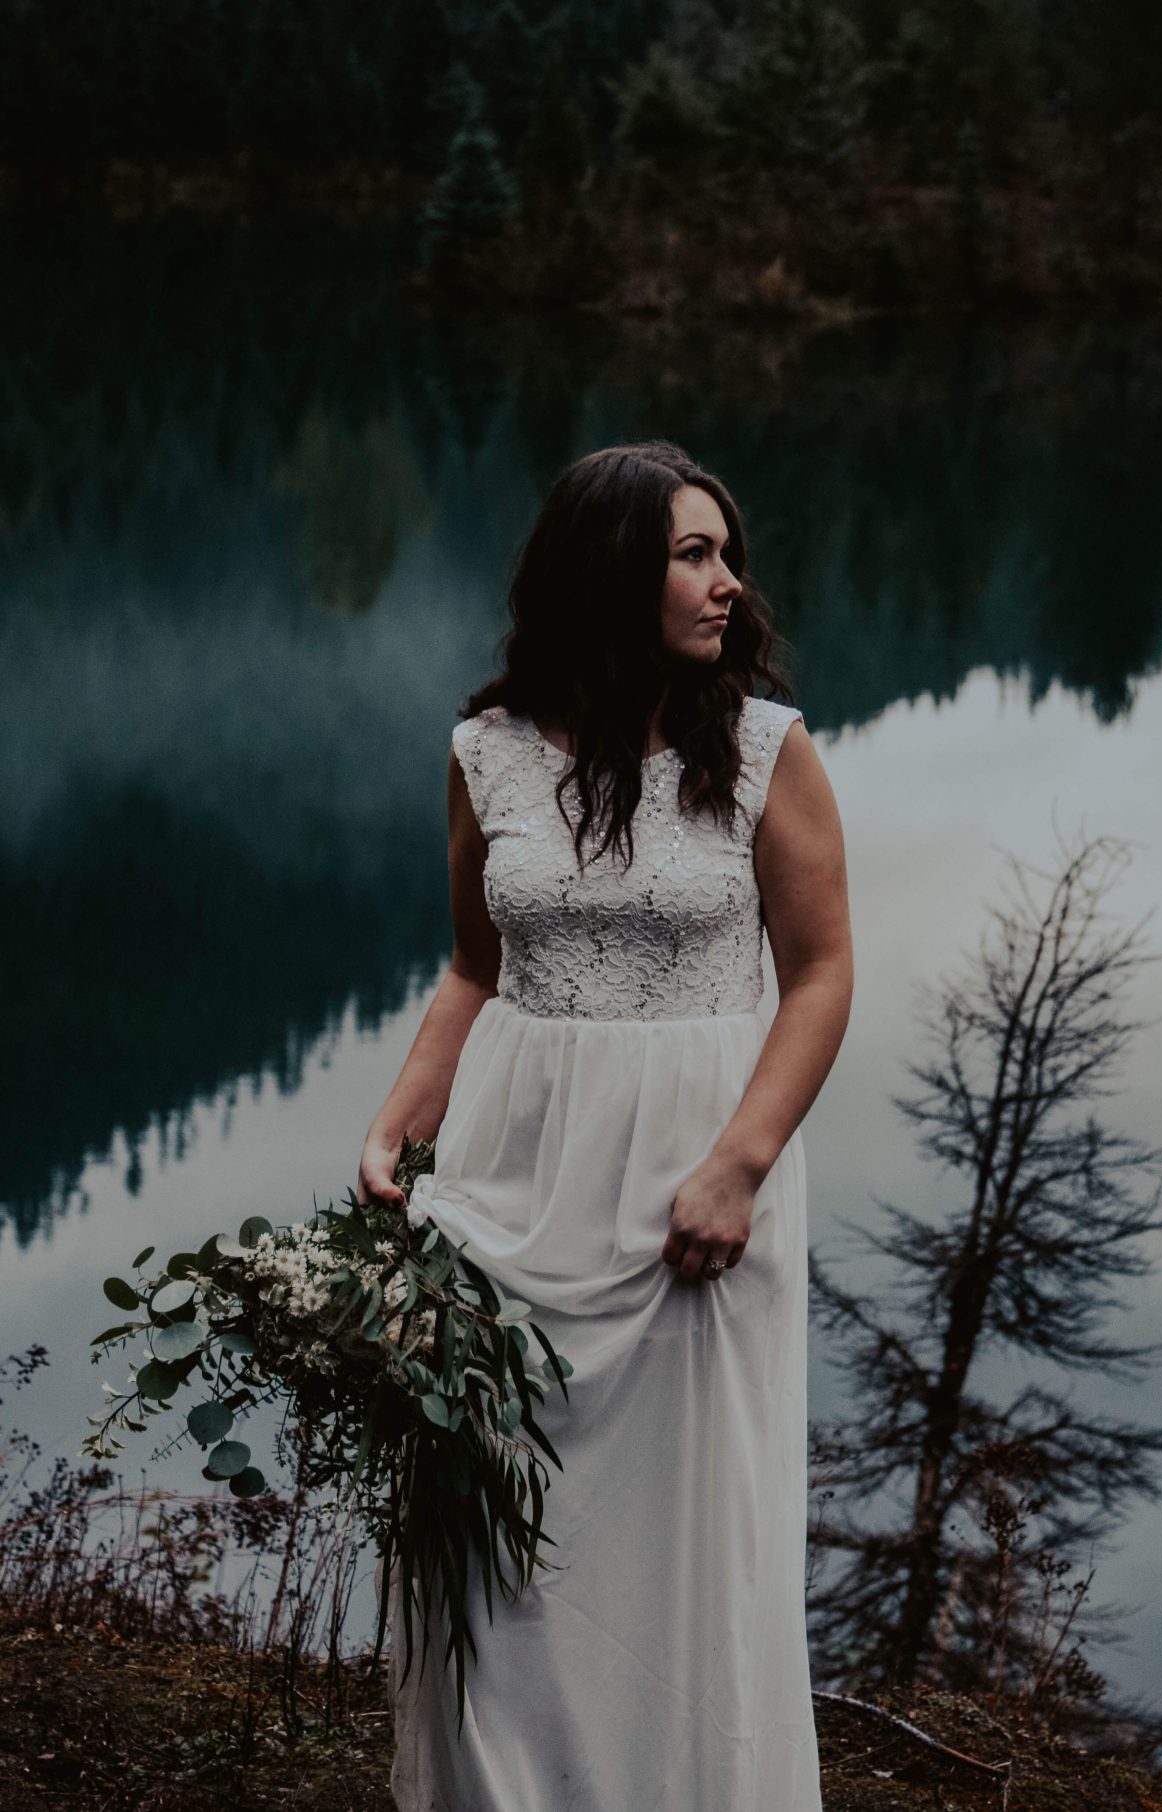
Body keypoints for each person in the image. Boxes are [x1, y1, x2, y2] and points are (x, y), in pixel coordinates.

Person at [359, 439, 852, 1811]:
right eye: (692, 555)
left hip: (697, 1187)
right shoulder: (487, 755)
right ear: (608, 574)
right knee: (500, 1532)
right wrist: (398, 1123)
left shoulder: (765, 754)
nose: (726, 584)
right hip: (516, 1176)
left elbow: (821, 975)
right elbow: (475, 967)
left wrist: (739, 1166)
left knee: (685, 1538)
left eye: (725, 552)